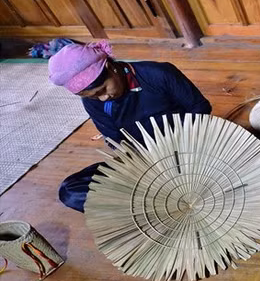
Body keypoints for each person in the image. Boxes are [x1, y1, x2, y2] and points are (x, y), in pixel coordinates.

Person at [48, 41, 211, 212]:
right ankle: (153, 202)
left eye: (102, 89)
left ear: (110, 66)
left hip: (189, 148)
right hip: (148, 160)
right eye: (94, 97)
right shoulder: (93, 102)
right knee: (70, 191)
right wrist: (141, 166)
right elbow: (116, 141)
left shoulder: (158, 74)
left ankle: (153, 203)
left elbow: (199, 107)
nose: (103, 98)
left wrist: (181, 148)